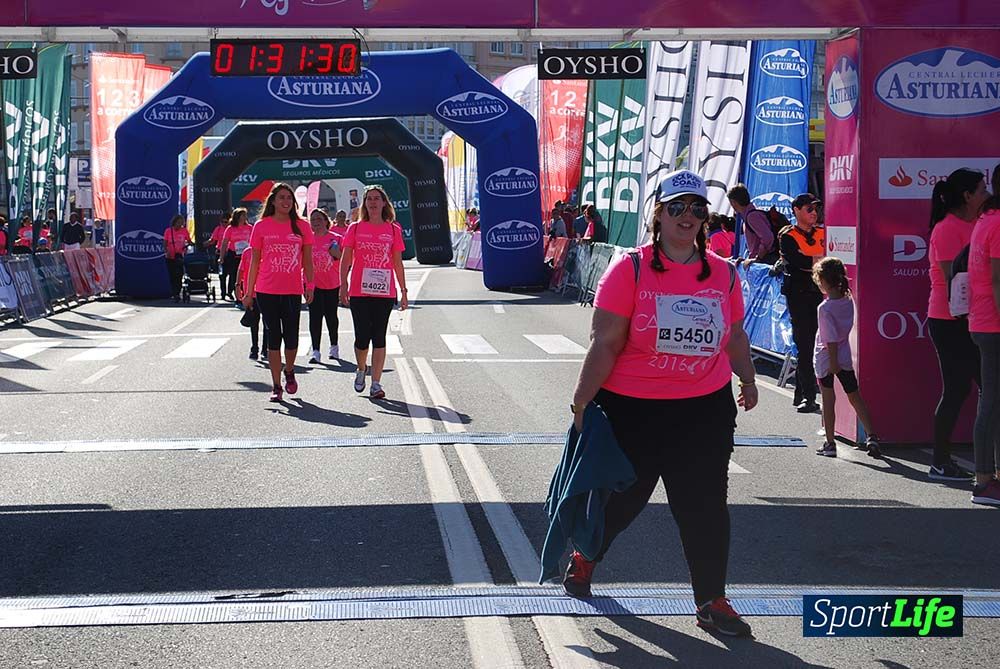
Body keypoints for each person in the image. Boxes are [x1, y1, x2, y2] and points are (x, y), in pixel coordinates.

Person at [565, 169, 758, 637]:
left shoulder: (724, 274)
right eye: (677, 207)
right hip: (635, 409)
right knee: (626, 501)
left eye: (697, 208)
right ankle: (587, 554)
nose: (687, 216)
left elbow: (732, 335)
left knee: (706, 506)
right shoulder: (628, 268)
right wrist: (582, 400)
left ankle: (712, 600)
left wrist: (748, 379)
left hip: (703, 409)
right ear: (658, 213)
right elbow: (606, 342)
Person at [926, 168, 988, 481]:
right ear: (967, 195)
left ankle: (984, 464)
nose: (986, 195)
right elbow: (956, 280)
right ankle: (940, 461)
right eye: (981, 189)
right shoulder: (947, 229)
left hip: (974, 319)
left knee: (985, 388)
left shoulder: (979, 223)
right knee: (957, 389)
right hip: (949, 320)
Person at [242, 183, 315, 402]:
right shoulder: (261, 226)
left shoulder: (302, 226)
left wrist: (309, 285)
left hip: (292, 289)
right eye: (281, 197)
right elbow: (254, 261)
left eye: (289, 198)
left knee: (291, 337)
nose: (285, 202)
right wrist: (248, 291)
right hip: (266, 290)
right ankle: (276, 386)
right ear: (272, 201)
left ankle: (289, 370)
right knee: (273, 336)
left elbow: (308, 260)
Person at [339, 185, 408, 400]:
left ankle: (376, 383)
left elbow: (397, 262)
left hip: (384, 291)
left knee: (379, 336)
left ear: (384, 203)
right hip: (360, 290)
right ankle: (361, 368)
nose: (373, 202)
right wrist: (343, 284)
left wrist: (403, 291)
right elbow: (346, 258)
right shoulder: (356, 228)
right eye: (369, 199)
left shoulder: (393, 229)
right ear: (364, 203)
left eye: (377, 198)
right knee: (362, 337)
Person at [811, 257, 882, 458]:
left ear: (824, 280)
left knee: (828, 398)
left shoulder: (824, 308)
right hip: (844, 355)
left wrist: (832, 362)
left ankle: (830, 442)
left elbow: (829, 339)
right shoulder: (848, 300)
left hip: (827, 357)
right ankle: (872, 435)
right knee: (854, 395)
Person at [968, 164, 1000, 505]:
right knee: (990, 404)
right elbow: (997, 280)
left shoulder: (985, 221)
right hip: (993, 325)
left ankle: (989, 478)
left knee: (992, 403)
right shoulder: (996, 222)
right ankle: (983, 480)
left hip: (983, 323)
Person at [780, 193, 826, 414]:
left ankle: (801, 392)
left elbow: (825, 258)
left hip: (820, 293)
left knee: (817, 344)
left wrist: (815, 261)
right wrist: (819, 259)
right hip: (798, 295)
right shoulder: (788, 236)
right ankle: (809, 396)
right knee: (805, 344)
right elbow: (800, 262)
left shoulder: (823, 232)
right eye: (809, 209)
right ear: (797, 210)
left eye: (816, 208)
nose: (814, 213)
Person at [307, 208, 345, 363]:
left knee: (331, 316)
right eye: (313, 220)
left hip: (332, 283)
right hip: (313, 284)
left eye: (319, 219)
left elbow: (344, 260)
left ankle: (334, 347)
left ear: (325, 221)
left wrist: (336, 253)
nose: (316, 222)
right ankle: (315, 351)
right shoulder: (307, 239)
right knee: (315, 318)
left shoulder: (335, 238)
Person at [727, 184, 776, 266]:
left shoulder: (752, 217)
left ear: (733, 202)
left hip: (764, 263)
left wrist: (758, 258)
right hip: (761, 262)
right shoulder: (749, 216)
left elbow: (768, 237)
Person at [236, 242, 268, 361]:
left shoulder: (268, 251)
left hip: (265, 291)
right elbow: (241, 270)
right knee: (254, 322)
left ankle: (266, 349)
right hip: (250, 292)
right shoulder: (247, 252)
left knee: (267, 322)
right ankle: (254, 348)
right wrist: (238, 286)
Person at [220, 209, 253, 302]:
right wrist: (221, 257)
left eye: (245, 215)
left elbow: (254, 241)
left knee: (246, 275)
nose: (244, 217)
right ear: (237, 217)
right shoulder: (230, 228)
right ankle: (237, 295)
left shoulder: (249, 227)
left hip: (246, 255)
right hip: (234, 255)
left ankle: (245, 294)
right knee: (234, 275)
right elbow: (224, 243)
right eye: (242, 215)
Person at [163, 214, 191, 301]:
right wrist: (166, 251)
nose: (180, 225)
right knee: (172, 275)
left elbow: (189, 240)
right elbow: (165, 243)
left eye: (181, 223)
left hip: (179, 255)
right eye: (178, 223)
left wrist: (189, 244)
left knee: (179, 274)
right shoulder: (168, 231)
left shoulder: (184, 231)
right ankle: (174, 293)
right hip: (170, 256)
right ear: (174, 222)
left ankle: (177, 293)